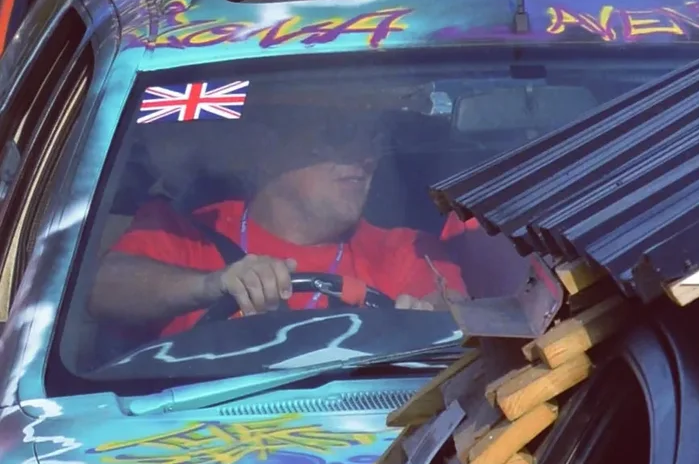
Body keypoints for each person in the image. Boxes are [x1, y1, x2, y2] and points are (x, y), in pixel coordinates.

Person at [89, 108, 465, 339]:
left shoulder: (405, 249)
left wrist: (432, 324)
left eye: (374, 140)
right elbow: (101, 289)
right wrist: (210, 285)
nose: (365, 156)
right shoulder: (190, 232)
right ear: (268, 153)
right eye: (340, 135)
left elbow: (456, 311)